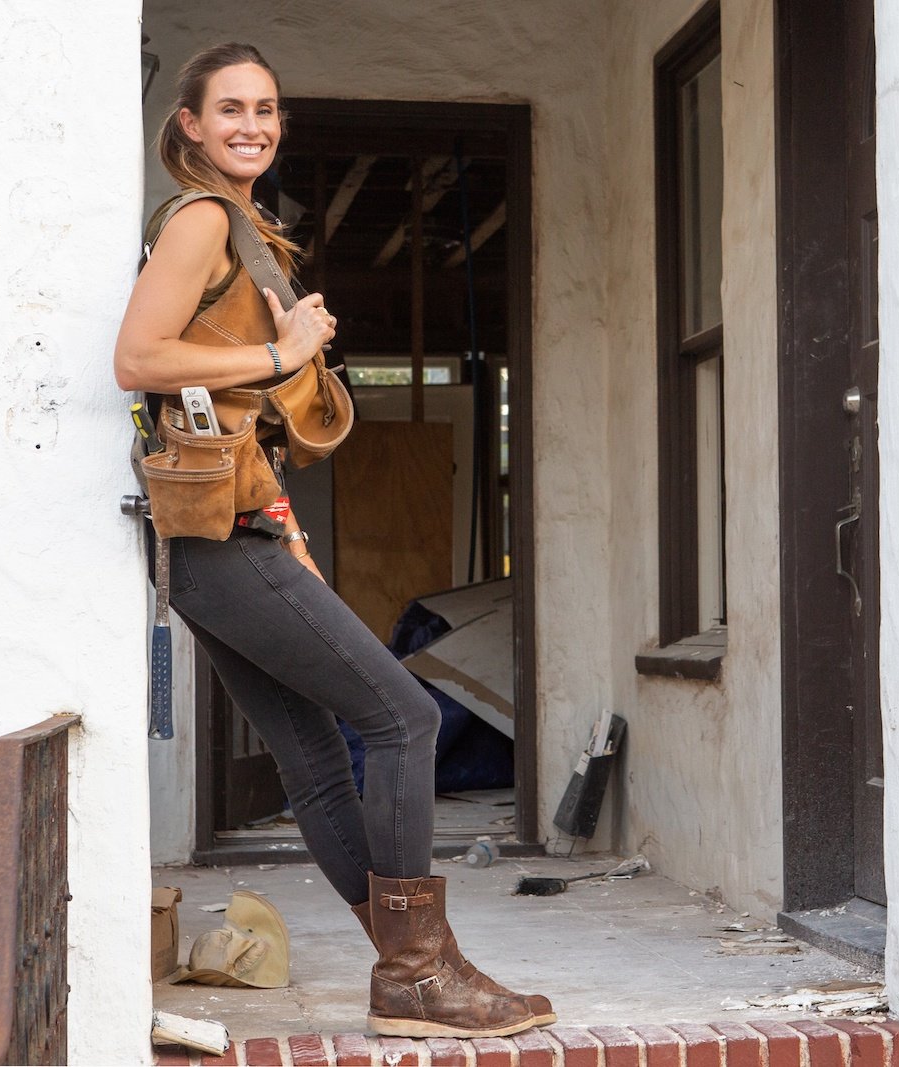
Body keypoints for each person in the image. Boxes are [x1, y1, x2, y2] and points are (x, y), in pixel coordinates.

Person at [114, 42, 550, 1040]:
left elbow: (223, 408)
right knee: (402, 716)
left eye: (265, 110)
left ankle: (420, 969)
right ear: (187, 123)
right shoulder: (199, 220)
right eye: (229, 109)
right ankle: (413, 974)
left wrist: (287, 520)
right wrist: (286, 349)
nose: (251, 126)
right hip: (215, 535)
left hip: (227, 521)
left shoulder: (240, 227)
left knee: (311, 749)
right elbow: (137, 358)